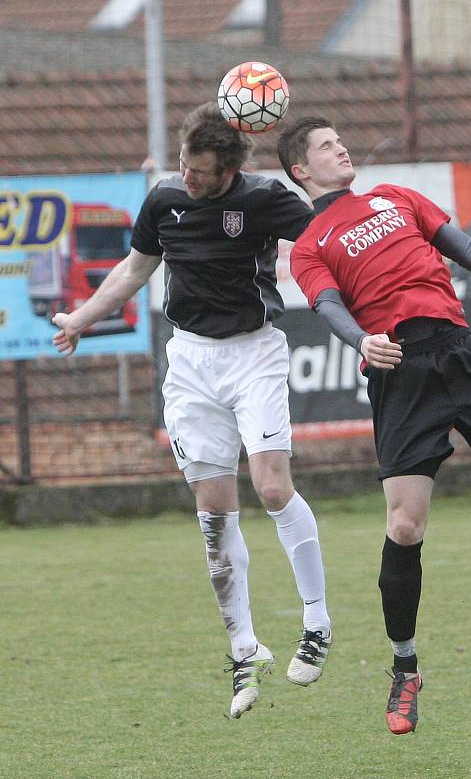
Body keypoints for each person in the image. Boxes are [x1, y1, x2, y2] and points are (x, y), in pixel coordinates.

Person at [276, 117, 471, 736]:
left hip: (461, 351)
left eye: (341, 140)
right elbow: (327, 306)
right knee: (405, 524)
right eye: (325, 146)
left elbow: (468, 249)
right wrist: (361, 341)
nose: (341, 148)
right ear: (301, 171)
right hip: (401, 370)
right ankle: (404, 670)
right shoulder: (313, 242)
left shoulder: (397, 198)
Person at [52, 102, 332, 719]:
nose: (191, 179)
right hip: (191, 363)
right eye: (186, 165)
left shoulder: (264, 199)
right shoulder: (163, 201)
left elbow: (328, 238)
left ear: (231, 169)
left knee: (271, 485)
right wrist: (80, 318)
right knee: (212, 513)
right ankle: (244, 651)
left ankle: (317, 621)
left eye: (203, 172)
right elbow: (134, 270)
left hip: (254, 353)